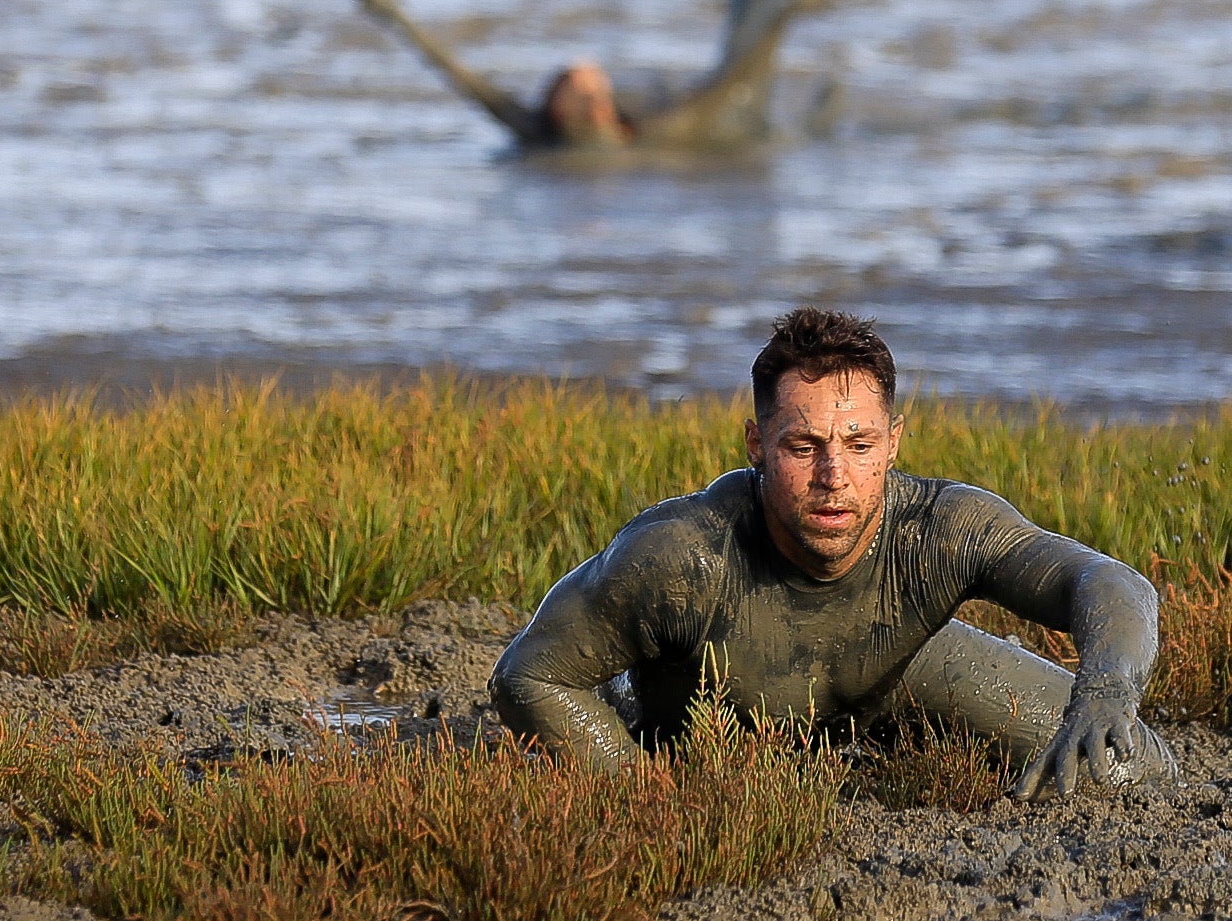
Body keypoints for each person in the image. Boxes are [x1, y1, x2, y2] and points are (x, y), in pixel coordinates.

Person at [492, 308, 1175, 795]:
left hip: (898, 665)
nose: (833, 477)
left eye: (858, 444)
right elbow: (530, 676)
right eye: (802, 446)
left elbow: (1108, 580)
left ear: (893, 442)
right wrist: (637, 792)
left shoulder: (939, 528)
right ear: (757, 446)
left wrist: (1106, 690)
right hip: (710, 727)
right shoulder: (681, 555)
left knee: (1131, 770)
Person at [348, 0, 836, 152]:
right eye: (587, 87)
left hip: (721, 118)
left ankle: (818, 111)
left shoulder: (652, 131)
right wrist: (785, 16)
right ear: (565, 109)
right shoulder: (657, 134)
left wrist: (393, 14)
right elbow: (463, 79)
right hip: (734, 124)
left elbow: (732, 79)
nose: (599, 92)